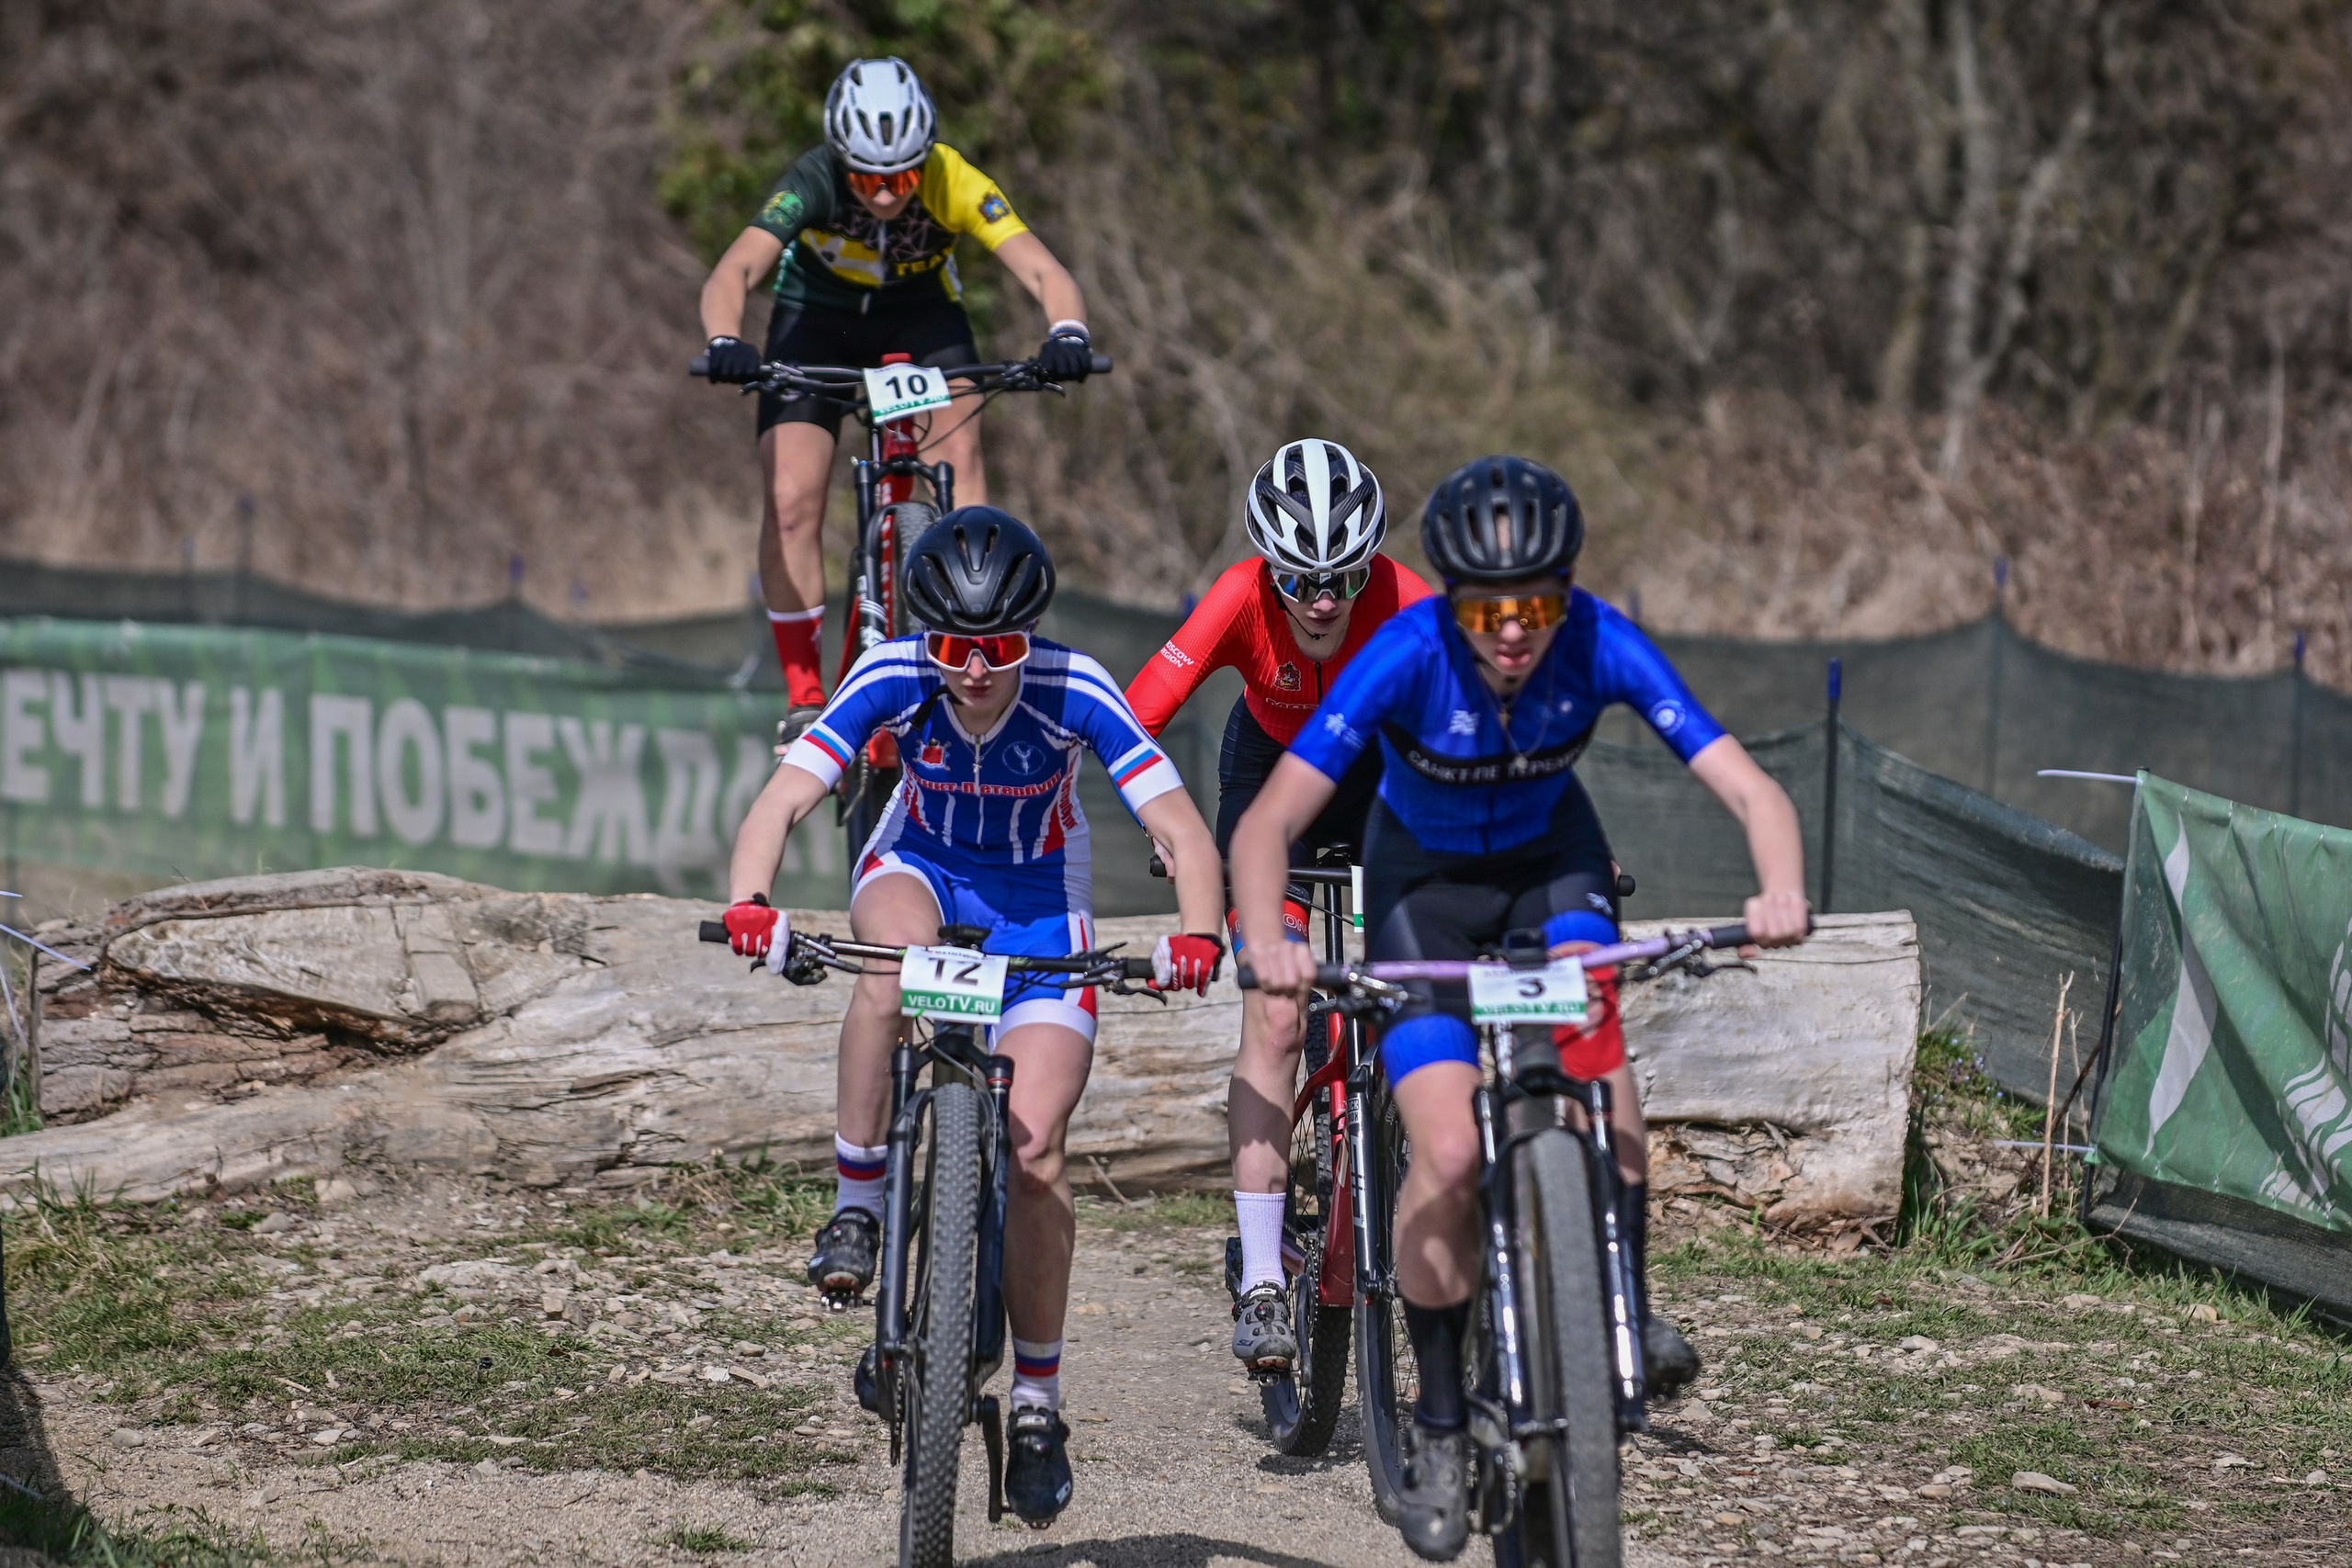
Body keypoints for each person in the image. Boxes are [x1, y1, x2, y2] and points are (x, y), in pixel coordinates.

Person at [1230, 456, 1811, 1562]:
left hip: (1555, 869)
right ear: (1450, 601)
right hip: (1422, 893)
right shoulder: (1403, 652)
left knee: (1605, 1073)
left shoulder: (1598, 640)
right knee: (1444, 1155)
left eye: (1535, 607)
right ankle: (1440, 1424)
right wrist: (1267, 938)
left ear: (1565, 595)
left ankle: (1625, 1307)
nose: (1512, 632)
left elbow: (1746, 784)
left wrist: (1777, 886)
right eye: (1488, 610)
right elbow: (1267, 826)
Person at [720, 506, 1226, 1526]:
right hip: (923, 869)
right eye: (955, 648)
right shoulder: (892, 674)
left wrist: (1199, 933)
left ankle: (1036, 1402)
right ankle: (859, 1204)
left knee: (1037, 1150)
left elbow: (1180, 826)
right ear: (928, 638)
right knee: (888, 969)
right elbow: (780, 802)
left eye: (999, 648)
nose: (977, 669)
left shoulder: (1074, 687)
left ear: (1029, 635)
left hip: (1042, 905)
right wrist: (752, 903)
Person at [1125, 438, 1433, 1374]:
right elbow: (1135, 709)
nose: (1324, 601)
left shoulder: (1411, 604)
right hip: (1270, 797)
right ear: (1270, 567)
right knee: (1276, 1016)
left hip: (1382, 786)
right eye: (1301, 581)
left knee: (1425, 991)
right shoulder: (1236, 596)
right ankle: (1263, 1279)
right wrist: (1162, 818)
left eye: (1342, 576)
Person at [697, 57, 1097, 743]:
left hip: (920, 315)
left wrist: (1067, 330)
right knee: (792, 498)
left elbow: (1039, 265)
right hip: (816, 318)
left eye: (904, 177)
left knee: (963, 454)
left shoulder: (953, 176)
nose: (886, 194)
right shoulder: (814, 177)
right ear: (840, 159)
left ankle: (977, 639)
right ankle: (803, 691)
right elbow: (735, 268)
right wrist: (726, 339)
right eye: (869, 178)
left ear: (926, 159)